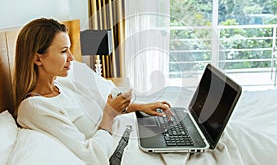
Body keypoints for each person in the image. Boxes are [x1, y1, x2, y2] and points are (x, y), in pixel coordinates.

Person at [13, 18, 172, 164]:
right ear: (38, 59)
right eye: (63, 51)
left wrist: (140, 107)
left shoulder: (64, 84)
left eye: (69, 50)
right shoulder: (35, 108)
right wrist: (109, 114)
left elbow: (104, 108)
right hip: (118, 153)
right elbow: (92, 156)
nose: (71, 58)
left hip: (127, 136)